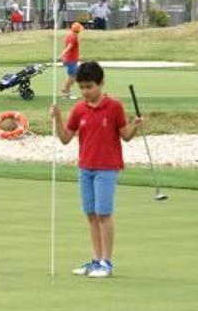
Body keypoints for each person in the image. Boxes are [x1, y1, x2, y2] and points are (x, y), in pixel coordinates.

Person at [50, 61, 142, 278]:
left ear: (101, 84)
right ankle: (96, 259)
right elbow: (65, 139)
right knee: (91, 214)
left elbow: (125, 136)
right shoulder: (79, 109)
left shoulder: (114, 106)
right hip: (85, 167)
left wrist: (136, 125)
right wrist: (57, 119)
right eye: (81, 87)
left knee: (104, 214)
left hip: (107, 167)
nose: (85, 91)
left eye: (89, 87)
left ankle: (107, 262)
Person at [59, 22, 83, 99]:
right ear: (78, 30)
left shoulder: (70, 36)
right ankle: (66, 90)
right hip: (71, 60)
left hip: (70, 59)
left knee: (73, 76)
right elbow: (69, 47)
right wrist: (62, 55)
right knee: (73, 76)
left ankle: (66, 91)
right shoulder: (74, 38)